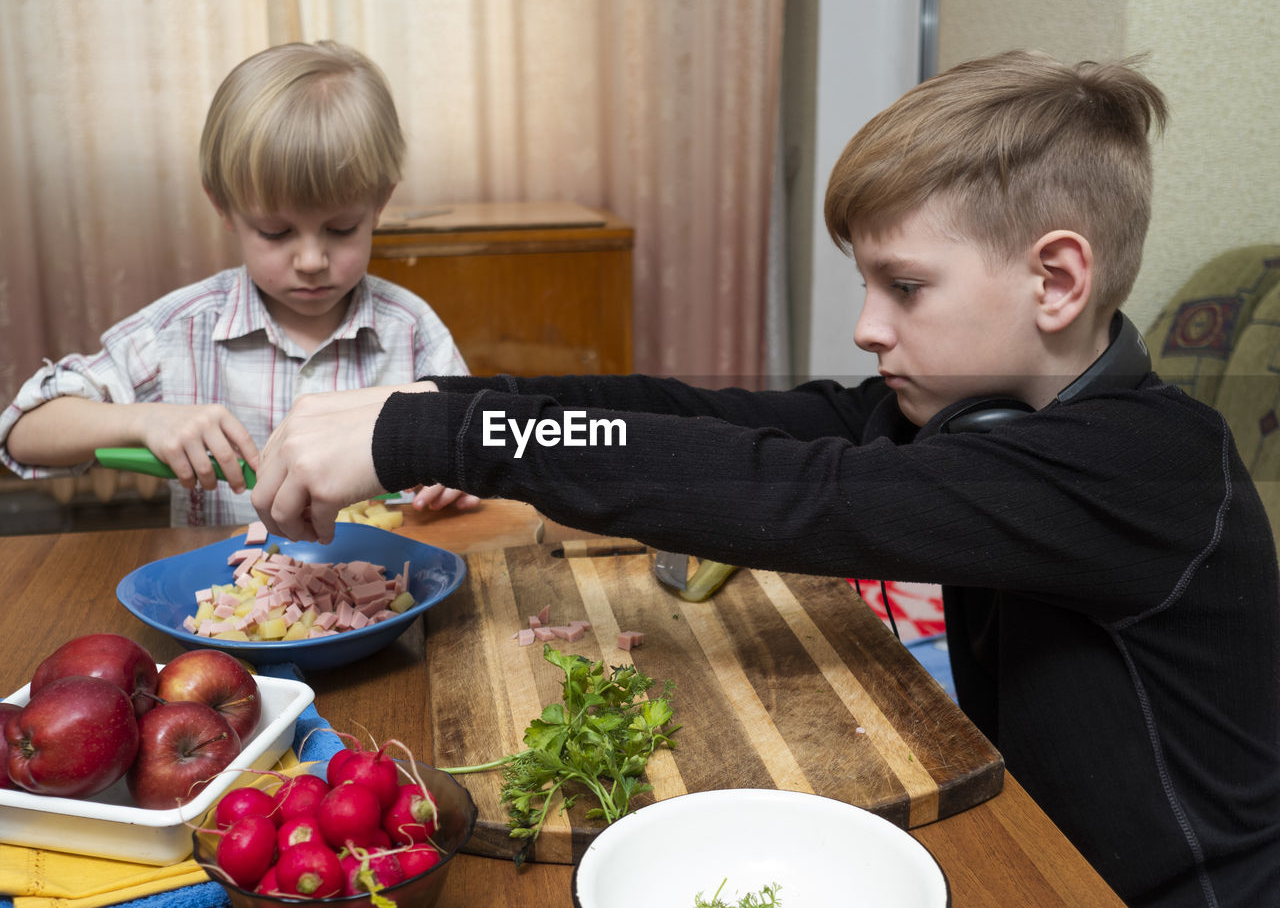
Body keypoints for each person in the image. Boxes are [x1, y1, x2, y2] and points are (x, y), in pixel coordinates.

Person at [247, 50, 1280, 908]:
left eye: (904, 286)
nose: (866, 327)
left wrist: (447, 440)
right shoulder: (961, 413)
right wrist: (445, 404)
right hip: (1038, 843)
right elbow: (710, 421)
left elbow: (800, 493)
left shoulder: (1146, 464)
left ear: (1055, 280)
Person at [0, 40, 476, 525]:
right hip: (228, 592)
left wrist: (459, 475)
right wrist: (145, 421)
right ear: (223, 208)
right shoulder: (179, 330)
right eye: (275, 232)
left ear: (379, 204)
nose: (311, 260)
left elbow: (481, 443)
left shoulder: (412, 329)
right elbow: (21, 431)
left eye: (341, 229)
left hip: (388, 587)